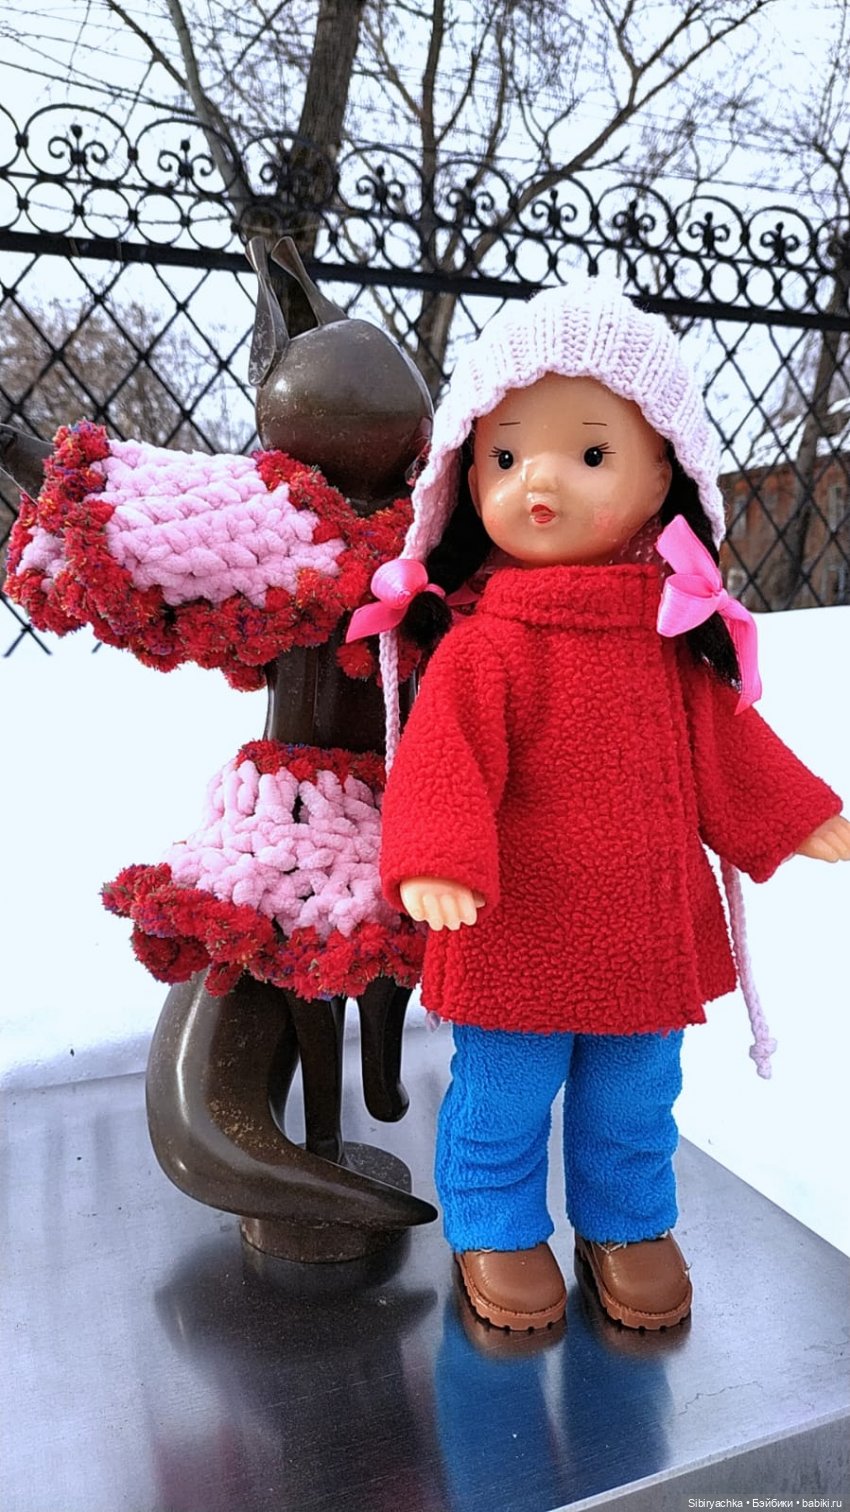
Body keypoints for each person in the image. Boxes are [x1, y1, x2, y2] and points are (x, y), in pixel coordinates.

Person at [352, 277, 850, 1333]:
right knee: (504, 1093)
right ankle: (494, 1225)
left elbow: (726, 746)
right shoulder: (484, 649)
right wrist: (435, 855)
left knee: (635, 1097)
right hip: (515, 930)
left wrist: (791, 814)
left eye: (588, 454)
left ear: (661, 472)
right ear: (466, 477)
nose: (539, 480)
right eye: (505, 458)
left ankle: (627, 1222)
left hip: (641, 934)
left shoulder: (668, 646)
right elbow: (442, 763)